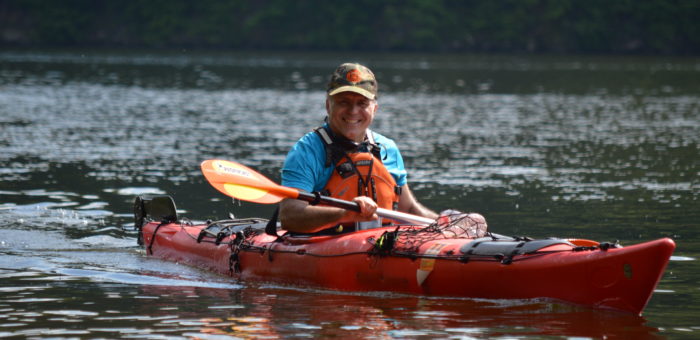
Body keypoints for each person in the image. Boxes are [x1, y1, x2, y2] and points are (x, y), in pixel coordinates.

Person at [279, 62, 439, 234]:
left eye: (362, 103)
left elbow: (408, 210)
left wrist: (449, 222)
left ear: (374, 109)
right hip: (323, 249)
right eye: (343, 102)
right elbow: (290, 216)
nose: (353, 111)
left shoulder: (388, 148)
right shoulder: (306, 151)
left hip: (380, 248)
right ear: (328, 105)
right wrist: (345, 214)